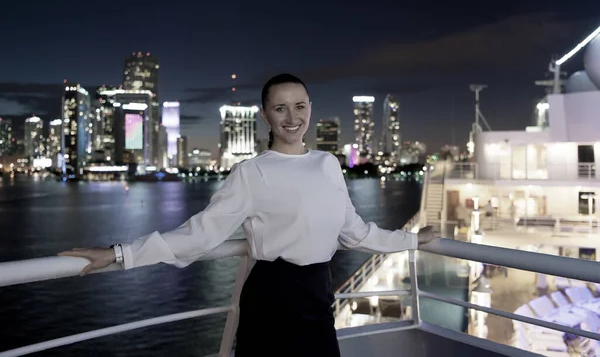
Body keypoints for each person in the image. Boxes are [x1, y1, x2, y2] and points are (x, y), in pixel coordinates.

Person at [58, 73, 440, 356]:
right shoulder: (251, 172)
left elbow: (354, 232)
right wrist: (118, 253)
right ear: (266, 115)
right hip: (271, 302)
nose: (292, 117)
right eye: (280, 108)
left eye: (300, 106)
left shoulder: (328, 164)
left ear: (310, 109)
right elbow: (201, 235)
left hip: (318, 300)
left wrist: (412, 240)